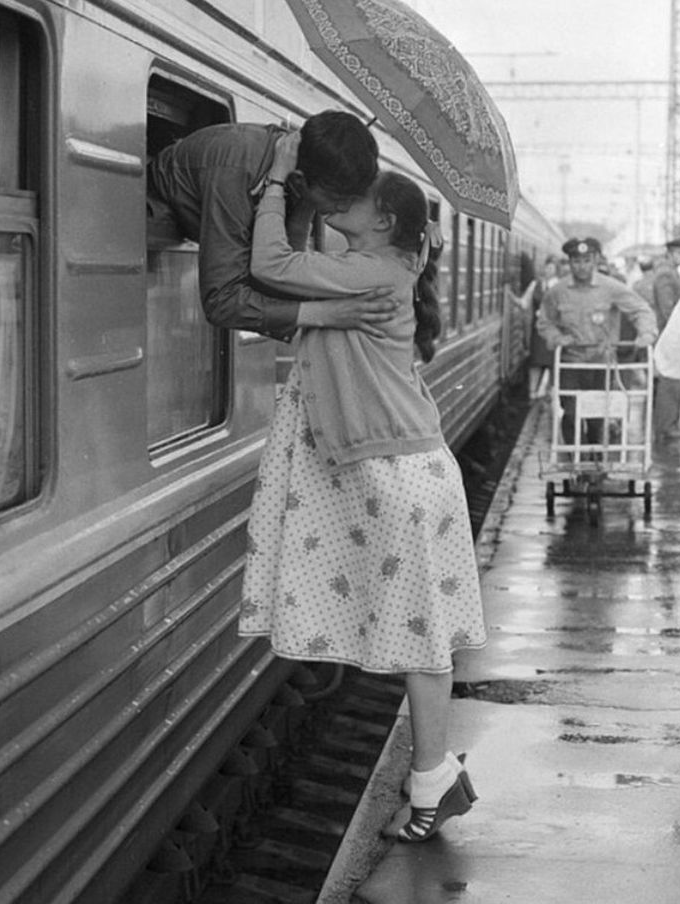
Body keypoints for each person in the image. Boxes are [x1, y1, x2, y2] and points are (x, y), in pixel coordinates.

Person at [238, 133, 486, 844]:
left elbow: (268, 265)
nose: (344, 197)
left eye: (363, 195)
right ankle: (432, 778)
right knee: (421, 638)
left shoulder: (375, 272)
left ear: (382, 222)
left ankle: (434, 779)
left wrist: (284, 178)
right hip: (409, 466)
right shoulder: (391, 260)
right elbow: (309, 262)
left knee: (421, 641)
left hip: (398, 472)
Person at [147, 110, 397, 341]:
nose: (343, 209)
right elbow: (222, 302)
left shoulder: (302, 169)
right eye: (339, 199)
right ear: (300, 182)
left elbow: (283, 273)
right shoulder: (236, 169)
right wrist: (328, 313)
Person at [537, 237, 658, 446]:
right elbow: (544, 322)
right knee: (572, 412)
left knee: (597, 416)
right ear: (569, 262)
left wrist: (645, 334)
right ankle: (579, 463)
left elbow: (640, 309)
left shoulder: (611, 287)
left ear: (595, 260)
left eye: (587, 260)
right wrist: (557, 338)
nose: (581, 266)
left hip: (601, 363)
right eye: (576, 261)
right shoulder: (558, 291)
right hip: (571, 363)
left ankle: (594, 461)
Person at [652, 238, 680, 439]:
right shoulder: (666, 275)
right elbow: (667, 309)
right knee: (670, 380)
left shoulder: (672, 273)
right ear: (671, 253)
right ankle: (666, 426)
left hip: (675, 334)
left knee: (675, 380)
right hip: (670, 335)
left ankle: (669, 424)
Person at [526, 254, 559, 399]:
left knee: (553, 362)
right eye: (547, 267)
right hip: (537, 330)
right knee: (536, 361)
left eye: (552, 268)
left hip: (553, 329)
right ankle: (532, 391)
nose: (548, 270)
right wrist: (509, 295)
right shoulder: (536, 285)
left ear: (556, 270)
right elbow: (524, 303)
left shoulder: (560, 286)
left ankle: (551, 392)